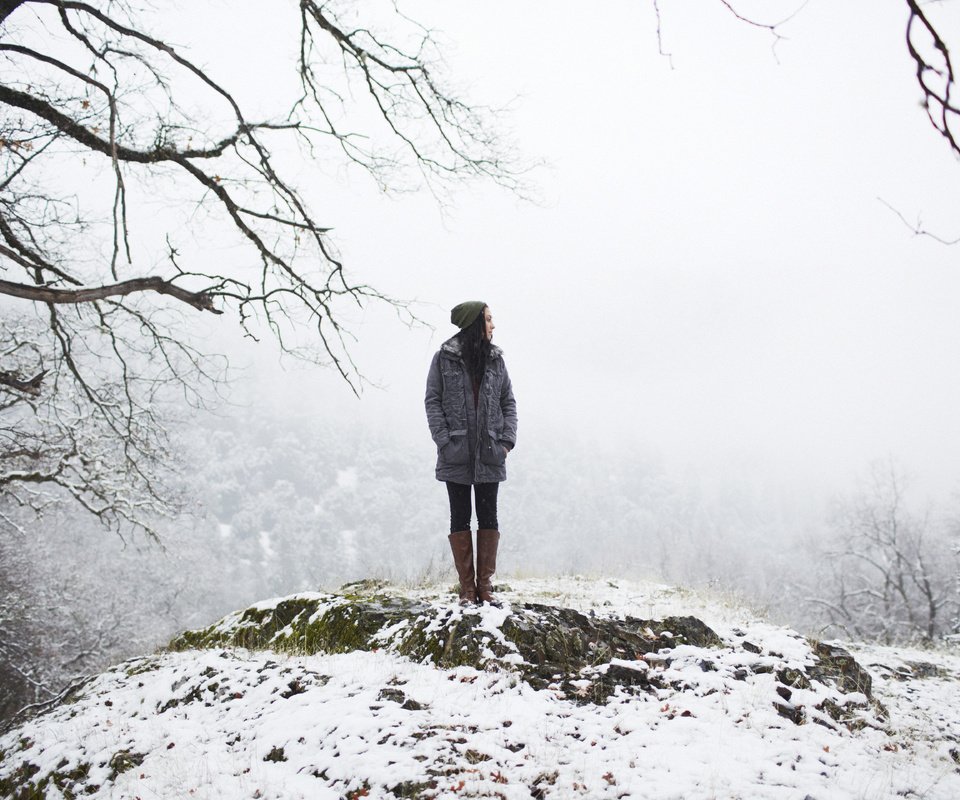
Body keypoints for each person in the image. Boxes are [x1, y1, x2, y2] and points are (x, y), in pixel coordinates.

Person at [424, 301, 518, 605]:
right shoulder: (443, 360)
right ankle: (466, 589)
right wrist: (444, 441)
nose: (493, 325)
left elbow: (509, 403)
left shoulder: (497, 361)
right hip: (456, 454)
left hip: (491, 452)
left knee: (489, 516)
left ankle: (484, 587)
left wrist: (506, 443)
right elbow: (433, 401)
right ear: (474, 324)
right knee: (460, 516)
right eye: (489, 319)